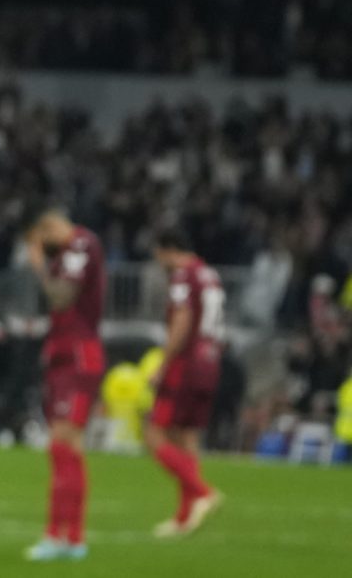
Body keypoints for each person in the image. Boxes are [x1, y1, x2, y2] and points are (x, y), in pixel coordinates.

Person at [22, 208, 107, 562]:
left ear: (51, 229)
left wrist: (39, 262)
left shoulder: (80, 245)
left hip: (77, 355)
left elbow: (61, 297)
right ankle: (72, 537)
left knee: (62, 446)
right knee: (67, 448)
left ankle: (57, 535)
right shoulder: (70, 253)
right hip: (63, 354)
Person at [146, 226, 226, 539]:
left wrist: (163, 363)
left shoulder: (182, 275)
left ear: (168, 250)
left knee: (153, 432)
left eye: (158, 256)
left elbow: (182, 318)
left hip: (185, 363)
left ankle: (202, 492)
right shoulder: (209, 275)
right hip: (209, 361)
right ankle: (185, 517)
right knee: (186, 438)